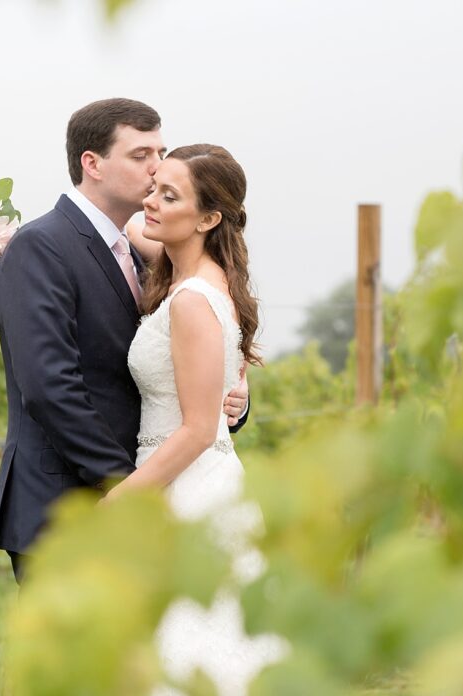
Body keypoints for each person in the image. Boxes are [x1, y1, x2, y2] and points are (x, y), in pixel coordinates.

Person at [0, 99, 250, 584]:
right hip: (67, 505)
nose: (156, 170)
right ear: (93, 163)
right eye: (140, 156)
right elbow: (50, 388)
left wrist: (231, 402)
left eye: (161, 153)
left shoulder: (149, 254)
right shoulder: (42, 246)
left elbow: (193, 355)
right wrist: (129, 484)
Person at [106, 144, 288, 695]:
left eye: (169, 195)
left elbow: (197, 426)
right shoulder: (193, 270)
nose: (150, 202)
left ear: (209, 218)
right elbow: (119, 232)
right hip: (201, 479)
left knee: (187, 644)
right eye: (153, 185)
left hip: (186, 487)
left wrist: (125, 496)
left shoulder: (191, 298)